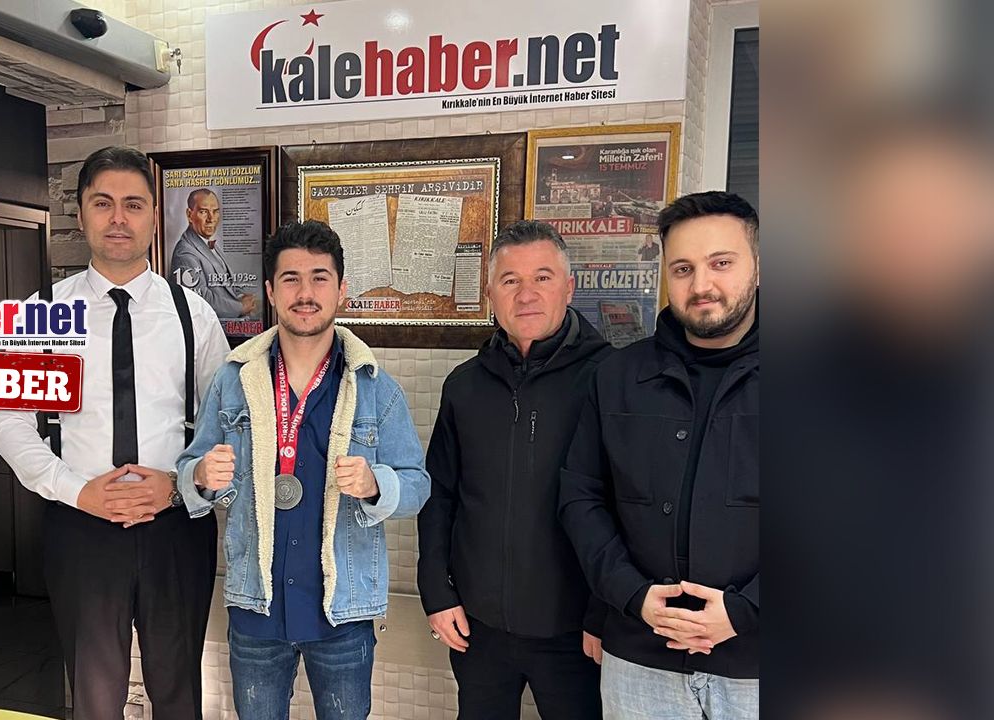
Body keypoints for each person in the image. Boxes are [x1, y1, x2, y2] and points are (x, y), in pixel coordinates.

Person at [0, 146, 230, 720]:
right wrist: (76, 490)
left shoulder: (193, 315)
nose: (118, 218)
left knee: (179, 693)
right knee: (95, 699)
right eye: (103, 203)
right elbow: (7, 421)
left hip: (176, 527)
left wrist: (178, 485)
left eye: (133, 204)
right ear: (81, 214)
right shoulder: (43, 313)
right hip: (81, 529)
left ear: (154, 217)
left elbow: (228, 423)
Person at [175, 220, 430, 719]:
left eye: (319, 278)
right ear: (271, 291)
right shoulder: (233, 381)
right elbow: (189, 471)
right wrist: (201, 476)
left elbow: (418, 484)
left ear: (341, 290)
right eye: (290, 279)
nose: (305, 293)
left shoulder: (374, 386)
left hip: (342, 613)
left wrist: (377, 484)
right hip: (257, 608)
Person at [559, 191, 760, 719]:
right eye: (683, 268)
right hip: (640, 661)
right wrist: (630, 594)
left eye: (721, 263)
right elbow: (581, 498)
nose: (702, 285)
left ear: (759, 266)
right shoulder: (618, 377)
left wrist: (747, 610)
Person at [417, 220, 614, 719]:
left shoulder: (611, 380)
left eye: (542, 278)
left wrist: (605, 610)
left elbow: (627, 505)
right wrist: (436, 591)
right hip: (478, 627)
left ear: (569, 287)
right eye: (510, 281)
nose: (526, 295)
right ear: (490, 294)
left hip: (576, 631)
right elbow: (439, 495)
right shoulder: (464, 386)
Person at [169, 187, 259, 320]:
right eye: (203, 212)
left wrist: (241, 297)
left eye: (215, 211)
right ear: (189, 215)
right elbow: (198, 299)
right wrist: (240, 307)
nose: (211, 219)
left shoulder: (208, 243)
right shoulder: (184, 253)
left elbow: (226, 285)